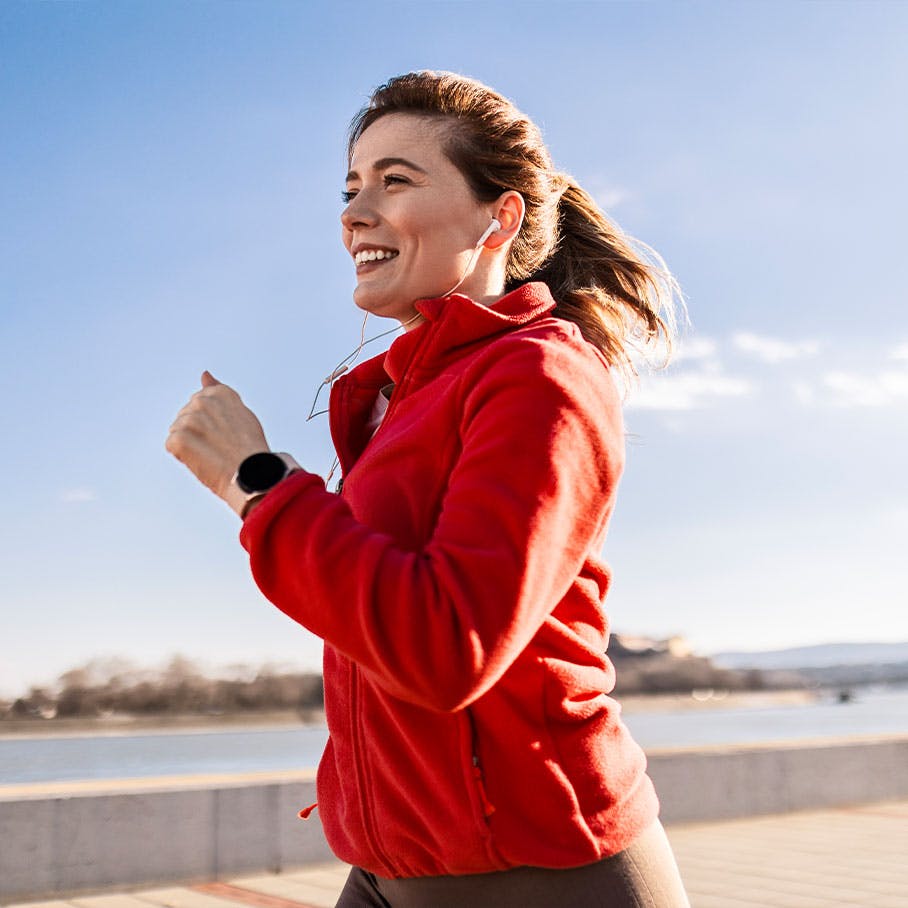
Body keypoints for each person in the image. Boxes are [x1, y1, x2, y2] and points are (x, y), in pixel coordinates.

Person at [167, 71, 690, 908]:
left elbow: (448, 649)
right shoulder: (398, 397)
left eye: (394, 181)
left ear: (500, 216)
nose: (353, 212)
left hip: (538, 873)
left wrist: (258, 483)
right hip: (390, 861)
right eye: (350, 187)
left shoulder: (539, 376)